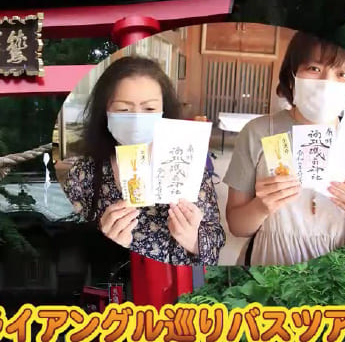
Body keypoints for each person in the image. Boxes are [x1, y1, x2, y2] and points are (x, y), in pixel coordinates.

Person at [224, 32, 345, 266]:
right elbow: (236, 225)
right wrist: (261, 206)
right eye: (314, 68)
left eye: (341, 74)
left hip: (337, 273)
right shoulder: (258, 131)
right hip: (267, 265)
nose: (326, 83)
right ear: (292, 75)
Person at [62, 56, 226, 265]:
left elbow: (216, 240)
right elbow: (67, 249)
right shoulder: (83, 174)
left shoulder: (188, 165)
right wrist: (104, 241)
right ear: (105, 112)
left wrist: (193, 240)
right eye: (124, 109)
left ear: (164, 110)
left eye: (149, 109)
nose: (137, 118)